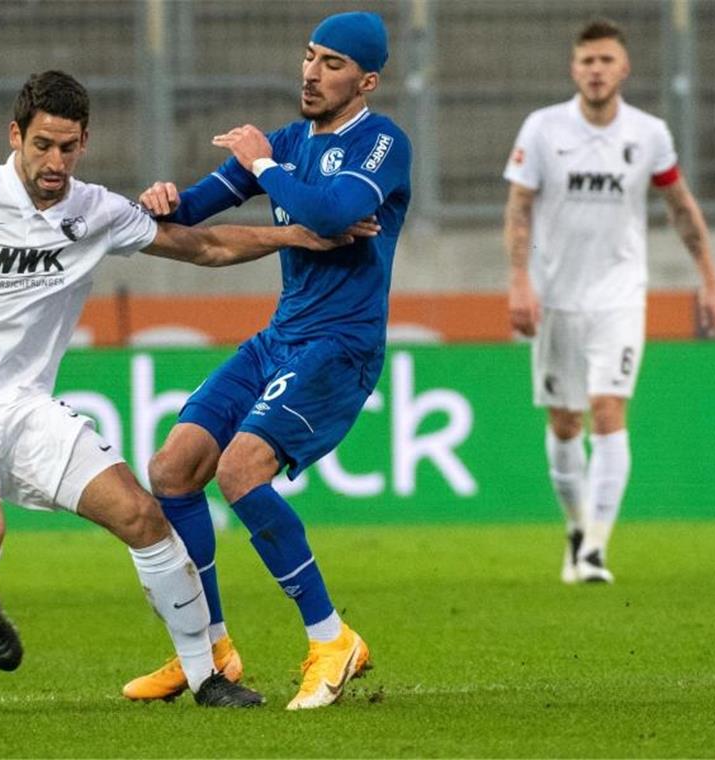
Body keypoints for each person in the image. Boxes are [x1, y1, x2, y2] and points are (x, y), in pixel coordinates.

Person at [0, 70, 376, 708]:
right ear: (16, 136)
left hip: (28, 410)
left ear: (84, 142)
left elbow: (201, 247)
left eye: (67, 147)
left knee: (144, 516)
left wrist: (294, 235)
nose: (54, 162)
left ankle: (207, 677)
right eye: (42, 146)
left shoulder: (95, 211)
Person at [122, 11, 411, 710]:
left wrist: (262, 165)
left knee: (239, 468)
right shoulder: (286, 144)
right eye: (310, 55)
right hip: (280, 337)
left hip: (339, 346)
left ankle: (331, 638)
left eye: (333, 63)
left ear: (366, 79)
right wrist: (163, 200)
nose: (312, 72)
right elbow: (192, 209)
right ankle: (211, 650)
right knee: (173, 469)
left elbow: (331, 214)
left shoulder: (381, 142)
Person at [502, 19, 715, 584]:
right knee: (564, 422)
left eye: (606, 61)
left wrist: (710, 278)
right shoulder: (542, 128)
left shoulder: (649, 133)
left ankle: (597, 548)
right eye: (587, 61)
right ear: (573, 69)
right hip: (555, 296)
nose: (596, 70)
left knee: (607, 410)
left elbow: (679, 205)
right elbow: (519, 208)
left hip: (620, 295)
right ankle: (577, 528)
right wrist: (519, 282)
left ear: (624, 69)